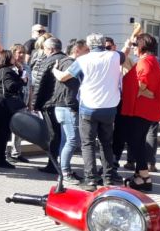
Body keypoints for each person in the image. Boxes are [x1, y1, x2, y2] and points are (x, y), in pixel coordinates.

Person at [54, 33, 128, 191]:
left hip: (88, 107)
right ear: (103, 43)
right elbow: (125, 53)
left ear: (89, 46)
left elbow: (64, 77)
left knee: (87, 144)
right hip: (109, 108)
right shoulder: (115, 56)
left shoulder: (82, 60)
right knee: (106, 143)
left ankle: (91, 180)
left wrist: (54, 70)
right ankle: (108, 178)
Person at [119, 33, 160, 192]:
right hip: (145, 109)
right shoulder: (151, 61)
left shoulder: (146, 62)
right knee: (136, 141)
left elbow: (142, 85)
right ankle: (140, 175)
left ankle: (144, 176)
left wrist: (143, 93)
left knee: (135, 142)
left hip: (142, 109)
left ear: (141, 47)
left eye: (135, 46)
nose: (134, 49)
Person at [50, 39, 88, 184]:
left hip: (63, 106)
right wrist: (73, 105)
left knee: (66, 140)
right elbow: (67, 85)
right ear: (77, 50)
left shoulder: (63, 62)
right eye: (86, 50)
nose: (88, 54)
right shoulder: (72, 63)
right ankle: (65, 172)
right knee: (72, 140)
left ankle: (63, 170)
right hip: (67, 107)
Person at [30, 37, 66, 174]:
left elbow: (39, 84)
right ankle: (60, 163)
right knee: (60, 134)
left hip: (49, 103)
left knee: (53, 135)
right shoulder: (67, 59)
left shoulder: (48, 61)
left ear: (50, 49)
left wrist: (34, 104)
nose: (43, 51)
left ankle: (52, 165)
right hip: (62, 103)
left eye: (44, 49)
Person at [0, 50, 25, 169]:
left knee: (1, 131)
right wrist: (22, 81)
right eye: (13, 58)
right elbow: (11, 86)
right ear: (8, 59)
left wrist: (20, 71)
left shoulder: (2, 70)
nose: (15, 59)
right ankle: (0, 159)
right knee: (4, 132)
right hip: (3, 103)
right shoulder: (7, 71)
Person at [7, 43, 31, 163]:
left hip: (23, 101)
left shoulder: (27, 67)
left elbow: (30, 85)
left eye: (23, 52)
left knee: (19, 129)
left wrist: (30, 103)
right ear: (13, 53)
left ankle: (17, 153)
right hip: (13, 101)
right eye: (19, 52)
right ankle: (8, 153)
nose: (22, 55)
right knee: (10, 127)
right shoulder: (10, 68)